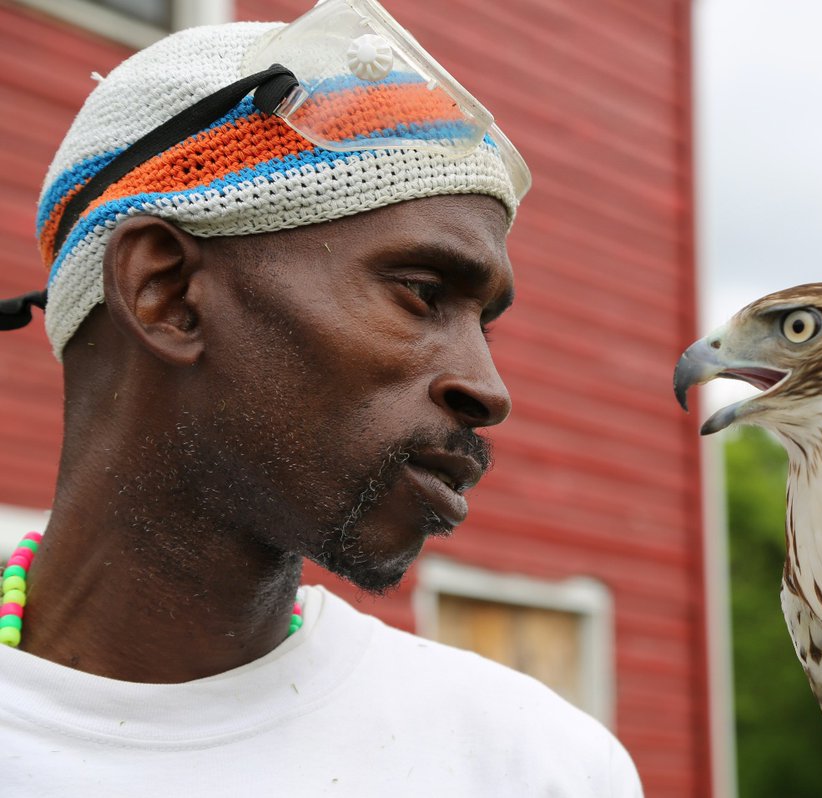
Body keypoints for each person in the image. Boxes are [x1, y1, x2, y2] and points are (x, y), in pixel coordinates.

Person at [0, 2, 643, 795]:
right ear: (165, 292)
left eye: (488, 326)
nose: (488, 390)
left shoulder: (529, 765)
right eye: (422, 292)